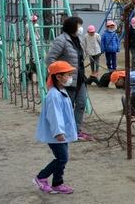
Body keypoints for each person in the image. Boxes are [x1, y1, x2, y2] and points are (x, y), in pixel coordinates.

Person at [33, 61, 78, 194]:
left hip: (62, 133)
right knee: (62, 158)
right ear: (58, 77)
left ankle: (58, 183)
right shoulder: (53, 95)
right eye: (68, 75)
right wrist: (58, 132)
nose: (70, 78)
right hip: (56, 134)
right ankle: (40, 177)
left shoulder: (61, 91)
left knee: (63, 158)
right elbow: (54, 115)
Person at [46, 16, 91, 141]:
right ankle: (65, 132)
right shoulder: (61, 40)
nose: (81, 28)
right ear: (72, 26)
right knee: (67, 107)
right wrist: (60, 75)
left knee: (81, 104)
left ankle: (76, 130)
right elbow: (50, 59)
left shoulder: (78, 39)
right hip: (67, 81)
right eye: (79, 25)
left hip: (80, 78)